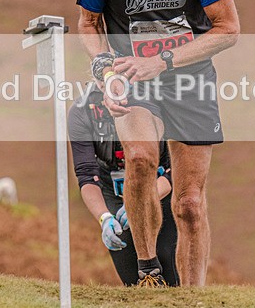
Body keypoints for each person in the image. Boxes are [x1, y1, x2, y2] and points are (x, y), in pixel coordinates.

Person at [76, 0, 240, 286]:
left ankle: (193, 300)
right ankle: (148, 271)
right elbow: (89, 25)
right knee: (142, 157)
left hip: (189, 77)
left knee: (188, 203)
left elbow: (227, 30)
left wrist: (164, 61)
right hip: (131, 77)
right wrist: (103, 68)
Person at [68, 85, 179, 286]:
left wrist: (141, 202)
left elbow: (174, 170)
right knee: (130, 271)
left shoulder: (158, 98)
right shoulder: (82, 110)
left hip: (157, 187)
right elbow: (86, 175)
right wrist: (104, 218)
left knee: (166, 259)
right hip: (112, 189)